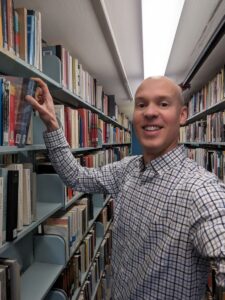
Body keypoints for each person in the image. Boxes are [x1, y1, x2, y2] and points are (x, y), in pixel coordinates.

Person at [26, 76, 225, 300]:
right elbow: (77, 177)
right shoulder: (127, 169)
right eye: (141, 104)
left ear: (182, 115)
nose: (150, 112)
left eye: (163, 103)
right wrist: (52, 124)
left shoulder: (202, 189)